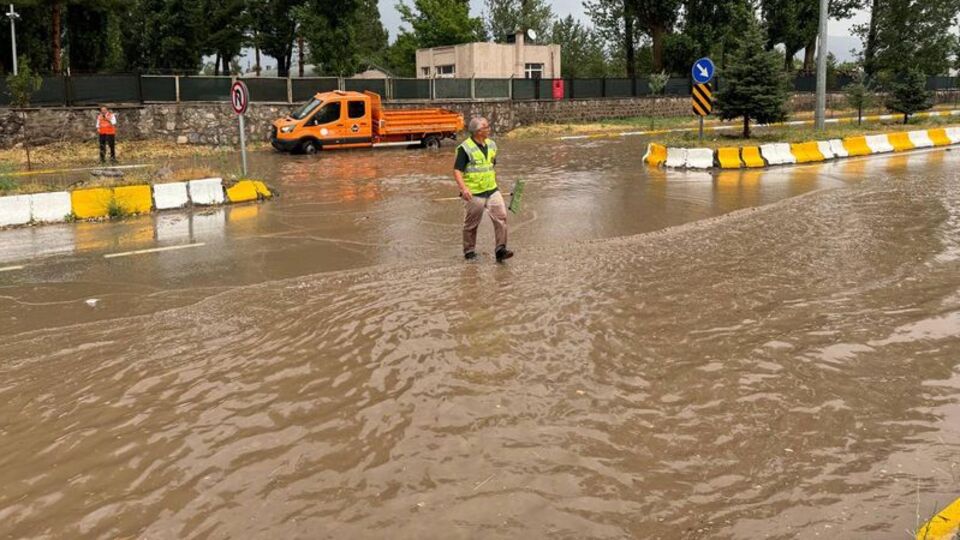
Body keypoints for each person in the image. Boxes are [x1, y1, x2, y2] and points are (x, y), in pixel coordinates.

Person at [453, 116, 513, 263]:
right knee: (471, 224)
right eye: (486, 127)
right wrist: (464, 188)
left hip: (492, 189)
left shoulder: (492, 145)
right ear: (478, 131)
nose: (489, 129)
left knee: (501, 217)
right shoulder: (465, 149)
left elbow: (491, 164)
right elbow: (457, 171)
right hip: (474, 193)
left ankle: (501, 249)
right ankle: (469, 252)